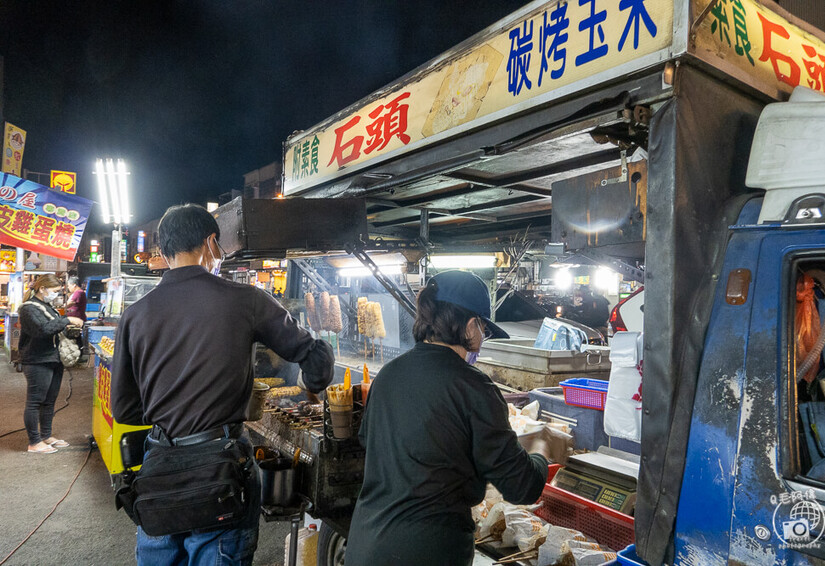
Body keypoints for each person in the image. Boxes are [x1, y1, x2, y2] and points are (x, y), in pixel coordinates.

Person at [111, 204, 335, 565]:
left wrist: (171, 410)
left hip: (161, 470)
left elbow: (124, 408)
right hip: (222, 468)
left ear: (164, 249)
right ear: (211, 242)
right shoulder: (244, 300)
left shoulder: (135, 315)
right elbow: (312, 353)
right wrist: (314, 383)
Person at [345, 270, 550, 566]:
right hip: (427, 553)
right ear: (469, 326)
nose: (483, 340)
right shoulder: (474, 387)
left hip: (366, 544)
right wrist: (542, 449)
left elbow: (378, 445)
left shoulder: (388, 375)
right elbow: (522, 486)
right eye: (484, 330)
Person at [19, 274, 85, 454]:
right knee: (35, 401)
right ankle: (34, 442)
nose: (56, 295)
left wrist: (71, 329)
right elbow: (43, 330)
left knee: (49, 401)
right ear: (42, 289)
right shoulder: (28, 308)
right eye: (55, 291)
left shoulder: (48, 307)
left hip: (54, 358)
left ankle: (46, 435)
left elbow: (56, 329)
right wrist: (67, 320)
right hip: (37, 360)